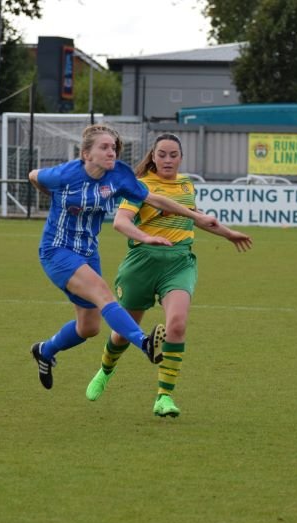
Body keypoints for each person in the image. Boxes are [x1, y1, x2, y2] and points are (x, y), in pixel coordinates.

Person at [27, 124, 220, 391]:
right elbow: (34, 175)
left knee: (89, 328)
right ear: (86, 154)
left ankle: (45, 351)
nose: (112, 152)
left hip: (88, 252)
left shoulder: (118, 176)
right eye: (104, 147)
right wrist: (53, 195)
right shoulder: (64, 175)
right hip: (57, 250)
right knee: (103, 293)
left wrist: (196, 216)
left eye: (114, 148)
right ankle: (144, 343)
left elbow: (155, 199)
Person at [85, 133, 253, 417]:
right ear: (153, 156)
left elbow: (196, 217)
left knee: (176, 324)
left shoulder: (186, 184)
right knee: (123, 334)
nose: (167, 160)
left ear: (181, 158)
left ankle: (164, 397)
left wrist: (227, 234)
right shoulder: (140, 186)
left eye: (173, 155)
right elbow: (121, 223)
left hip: (179, 262)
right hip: (141, 262)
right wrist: (146, 238)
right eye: (162, 154)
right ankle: (105, 371)